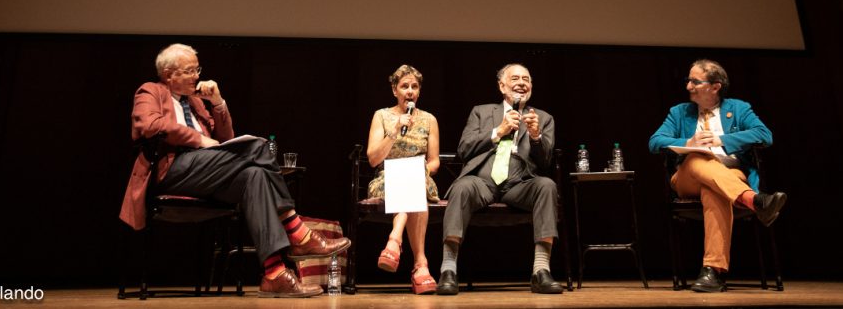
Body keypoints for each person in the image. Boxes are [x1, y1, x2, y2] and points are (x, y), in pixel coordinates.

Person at [119, 43, 351, 298]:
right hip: (173, 169)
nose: (196, 76)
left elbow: (226, 138)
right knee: (259, 147)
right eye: (189, 71)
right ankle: (299, 233)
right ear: (168, 74)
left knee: (255, 176)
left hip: (205, 171)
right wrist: (198, 139)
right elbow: (150, 125)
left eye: (197, 69)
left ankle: (274, 274)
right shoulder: (150, 91)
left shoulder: (196, 102)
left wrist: (217, 103)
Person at [648, 59, 788, 293]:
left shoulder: (739, 108)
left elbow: (765, 135)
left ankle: (712, 272)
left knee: (713, 191)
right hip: (687, 177)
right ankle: (755, 200)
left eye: (695, 81)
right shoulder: (679, 112)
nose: (688, 86)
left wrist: (721, 140)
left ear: (715, 87)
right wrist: (688, 143)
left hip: (729, 175)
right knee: (696, 158)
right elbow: (655, 142)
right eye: (688, 80)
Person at [435, 64, 563, 295]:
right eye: (515, 78)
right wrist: (498, 131)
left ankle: (541, 270)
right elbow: (464, 149)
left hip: (520, 183)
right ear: (502, 86)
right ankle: (448, 270)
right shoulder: (481, 112)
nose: (521, 83)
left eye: (526, 79)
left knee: (547, 186)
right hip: (482, 182)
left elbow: (545, 162)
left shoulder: (543, 118)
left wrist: (536, 137)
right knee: (461, 187)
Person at [365, 64, 441, 294]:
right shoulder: (381, 116)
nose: (410, 91)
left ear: (419, 91)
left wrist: (418, 170)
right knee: (409, 183)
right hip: (387, 180)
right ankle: (420, 265)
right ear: (394, 90)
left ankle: (394, 241)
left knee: (413, 177)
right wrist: (395, 131)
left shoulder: (429, 119)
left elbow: (434, 162)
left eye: (414, 87)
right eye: (404, 86)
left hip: (420, 178)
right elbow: (373, 159)